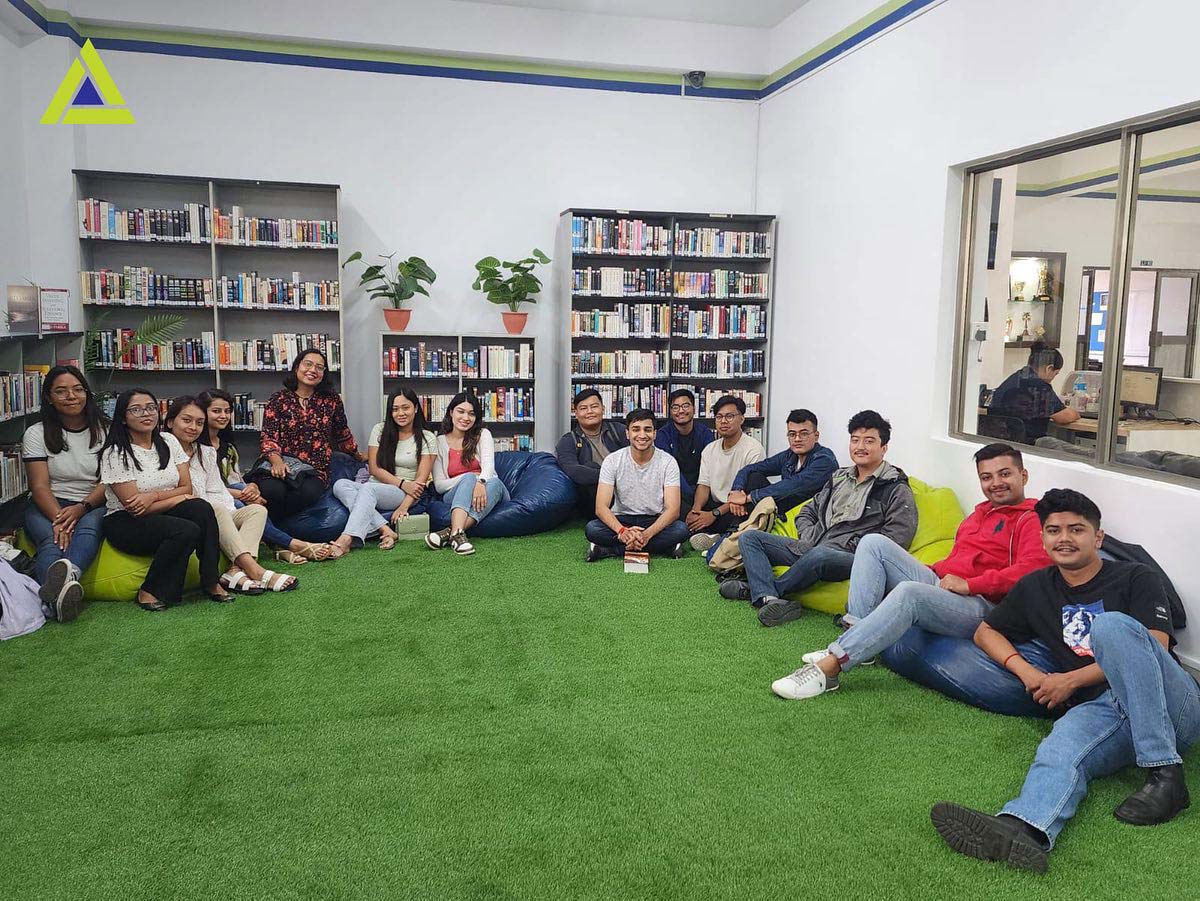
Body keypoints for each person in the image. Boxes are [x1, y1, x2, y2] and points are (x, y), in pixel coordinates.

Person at [931, 489, 1196, 874]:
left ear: (1098, 538)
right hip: (1105, 709)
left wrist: (1069, 681)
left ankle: (1166, 772)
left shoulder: (1136, 576)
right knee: (1059, 748)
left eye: (1076, 529)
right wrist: (1031, 674)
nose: (1064, 538)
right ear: (1043, 538)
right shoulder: (1036, 586)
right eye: (1054, 530)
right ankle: (1024, 828)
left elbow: (1155, 646)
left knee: (1111, 627)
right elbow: (985, 631)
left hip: (1169, 704)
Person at [771, 442, 1052, 700]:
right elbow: (956, 561)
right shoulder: (979, 515)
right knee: (873, 543)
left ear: (1023, 476)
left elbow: (1031, 573)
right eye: (987, 477)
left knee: (909, 594)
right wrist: (925, 571)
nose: (996, 483)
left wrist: (971, 585)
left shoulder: (1032, 518)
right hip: (948, 588)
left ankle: (830, 668)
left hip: (984, 606)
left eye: (1005, 474)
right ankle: (855, 635)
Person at [730, 410, 916, 628]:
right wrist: (809, 535)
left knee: (821, 555)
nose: (860, 447)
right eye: (855, 440)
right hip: (813, 545)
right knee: (750, 538)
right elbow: (807, 511)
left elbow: (895, 540)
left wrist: (853, 546)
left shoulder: (895, 488)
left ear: (884, 447)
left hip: (852, 557)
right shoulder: (839, 478)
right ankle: (770, 599)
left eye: (869, 441)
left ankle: (759, 591)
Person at [97, 389, 229, 611]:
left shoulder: (168, 441)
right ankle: (150, 590)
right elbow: (136, 508)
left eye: (150, 408)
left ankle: (210, 580)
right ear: (123, 417)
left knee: (201, 508)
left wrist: (155, 496)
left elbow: (186, 487)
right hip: (125, 522)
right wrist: (178, 498)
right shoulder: (116, 453)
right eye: (136, 409)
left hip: (160, 509)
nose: (146, 414)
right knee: (185, 529)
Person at [166, 396, 296, 593]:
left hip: (216, 513)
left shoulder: (206, 452)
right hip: (185, 513)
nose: (193, 427)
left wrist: (232, 512)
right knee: (214, 508)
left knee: (256, 511)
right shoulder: (162, 450)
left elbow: (216, 490)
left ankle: (235, 570)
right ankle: (255, 570)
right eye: (186, 420)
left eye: (199, 423)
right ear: (170, 422)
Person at [249, 349, 363, 559]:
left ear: (324, 374)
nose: (313, 370)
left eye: (319, 367)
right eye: (308, 364)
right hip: (281, 463)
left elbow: (342, 433)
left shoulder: (331, 401)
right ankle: (281, 538)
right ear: (297, 367)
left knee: (309, 493)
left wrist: (358, 456)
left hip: (314, 469)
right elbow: (268, 436)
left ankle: (274, 535)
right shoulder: (278, 399)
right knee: (273, 491)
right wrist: (276, 460)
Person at [199, 389, 331, 564]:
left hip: (229, 491)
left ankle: (279, 546)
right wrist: (242, 494)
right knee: (242, 503)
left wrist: (252, 488)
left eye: (227, 411)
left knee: (251, 494)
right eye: (216, 411)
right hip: (208, 497)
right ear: (203, 413)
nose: (223, 416)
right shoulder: (197, 446)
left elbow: (235, 479)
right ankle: (290, 545)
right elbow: (202, 487)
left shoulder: (227, 447)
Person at [21, 365, 108, 623]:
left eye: (78, 389)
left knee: (88, 529)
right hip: (48, 503)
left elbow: (109, 481)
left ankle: (58, 590)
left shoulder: (106, 429)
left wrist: (82, 508)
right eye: (61, 391)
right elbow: (39, 486)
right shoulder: (36, 433)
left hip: (94, 502)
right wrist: (60, 518)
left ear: (86, 393)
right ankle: (61, 596)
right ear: (49, 397)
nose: (71, 396)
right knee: (52, 540)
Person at [331, 387, 436, 554]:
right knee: (340, 484)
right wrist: (401, 483)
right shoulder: (379, 430)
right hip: (384, 485)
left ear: (416, 408)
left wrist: (404, 507)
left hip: (406, 493)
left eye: (405, 408)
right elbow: (374, 468)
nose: (400, 413)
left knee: (368, 489)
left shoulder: (427, 437)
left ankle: (347, 538)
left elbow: (420, 482)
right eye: (395, 409)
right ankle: (385, 529)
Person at [585, 409, 689, 561]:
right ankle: (665, 548)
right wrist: (622, 531)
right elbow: (601, 507)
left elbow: (673, 510)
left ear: (654, 434)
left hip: (653, 520)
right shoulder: (612, 460)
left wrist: (647, 534)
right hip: (622, 519)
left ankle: (610, 549)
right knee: (592, 529)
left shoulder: (668, 462)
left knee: (681, 529)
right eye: (636, 429)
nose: (642, 435)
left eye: (647, 430)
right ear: (627, 433)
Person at [425, 392, 508, 555]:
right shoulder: (439, 441)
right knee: (468, 477)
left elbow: (488, 468)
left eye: (471, 413)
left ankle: (452, 532)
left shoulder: (483, 434)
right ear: (451, 412)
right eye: (460, 411)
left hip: (489, 490)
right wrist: (469, 480)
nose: (466, 418)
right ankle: (457, 535)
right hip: (455, 495)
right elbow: (440, 485)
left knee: (495, 483)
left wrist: (481, 482)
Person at [686, 395, 765, 550]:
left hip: (738, 506)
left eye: (729, 416)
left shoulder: (753, 449)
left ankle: (724, 536)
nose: (723, 421)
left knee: (742, 508)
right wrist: (696, 511)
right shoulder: (710, 449)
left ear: (742, 419)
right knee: (683, 499)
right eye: (719, 417)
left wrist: (714, 514)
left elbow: (748, 491)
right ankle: (715, 534)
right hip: (716, 504)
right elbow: (704, 485)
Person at [725, 408, 838, 516]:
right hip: (787, 509)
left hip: (809, 516)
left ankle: (741, 525)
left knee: (762, 494)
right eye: (792, 434)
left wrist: (748, 498)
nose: (797, 439)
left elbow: (793, 485)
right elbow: (749, 469)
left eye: (803, 434)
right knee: (753, 477)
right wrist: (737, 491)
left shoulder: (825, 459)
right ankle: (739, 525)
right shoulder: (790, 455)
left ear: (816, 436)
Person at [987, 342, 1080, 442]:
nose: (1053, 378)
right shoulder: (1040, 387)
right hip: (1029, 445)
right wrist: (1077, 414)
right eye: (1055, 374)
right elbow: (1064, 417)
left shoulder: (1015, 378)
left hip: (999, 443)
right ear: (1049, 369)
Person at [556, 389, 628, 512]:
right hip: (593, 497)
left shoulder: (618, 430)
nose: (589, 411)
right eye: (583, 408)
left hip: (627, 489)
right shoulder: (568, 441)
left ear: (603, 409)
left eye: (594, 406)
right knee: (590, 467)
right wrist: (612, 476)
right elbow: (574, 472)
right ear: (576, 413)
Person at [654, 388, 714, 510]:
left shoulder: (705, 433)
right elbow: (669, 470)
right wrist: (693, 498)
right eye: (675, 407)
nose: (681, 411)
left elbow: (709, 469)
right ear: (670, 411)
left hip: (703, 490)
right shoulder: (662, 436)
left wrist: (699, 499)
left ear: (694, 409)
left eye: (685, 406)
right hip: (674, 491)